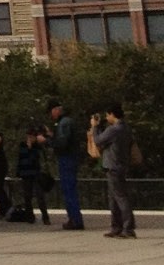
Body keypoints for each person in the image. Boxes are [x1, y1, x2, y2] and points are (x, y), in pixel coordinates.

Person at [87, 105, 136, 239]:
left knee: (120, 197)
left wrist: (95, 126)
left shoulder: (114, 129)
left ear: (112, 114)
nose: (107, 118)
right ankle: (116, 227)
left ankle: (127, 228)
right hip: (122, 165)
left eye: (108, 115)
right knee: (114, 198)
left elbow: (98, 140)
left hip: (113, 166)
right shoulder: (126, 128)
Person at [46, 100, 83, 230]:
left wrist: (47, 140)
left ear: (56, 110)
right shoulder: (67, 122)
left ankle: (74, 219)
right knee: (70, 189)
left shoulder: (64, 123)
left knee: (68, 190)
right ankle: (74, 218)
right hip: (70, 158)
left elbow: (62, 143)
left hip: (67, 158)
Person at [13, 128, 51, 226]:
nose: (29, 139)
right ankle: (29, 216)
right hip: (26, 173)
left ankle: (45, 216)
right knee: (27, 196)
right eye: (28, 137)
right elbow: (21, 158)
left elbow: (35, 159)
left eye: (31, 137)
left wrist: (30, 149)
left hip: (35, 174)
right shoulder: (22, 145)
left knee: (39, 196)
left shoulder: (37, 147)